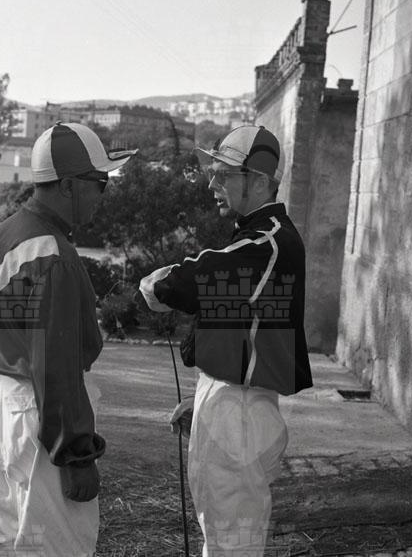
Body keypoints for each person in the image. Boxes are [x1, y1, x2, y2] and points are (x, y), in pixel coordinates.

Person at [140, 125, 313, 556]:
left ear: (260, 180)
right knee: (220, 540)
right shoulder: (255, 236)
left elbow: (191, 280)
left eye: (224, 174)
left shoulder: (270, 240)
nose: (212, 185)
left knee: (232, 546)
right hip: (230, 404)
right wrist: (205, 398)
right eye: (213, 173)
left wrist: (156, 285)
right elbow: (235, 326)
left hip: (241, 415)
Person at [0, 122, 136, 557]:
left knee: (6, 542)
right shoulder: (53, 255)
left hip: (2, 402)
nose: (102, 194)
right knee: (57, 547)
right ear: (67, 185)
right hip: (39, 413)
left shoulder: (7, 231)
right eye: (99, 182)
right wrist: (77, 455)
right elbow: (56, 365)